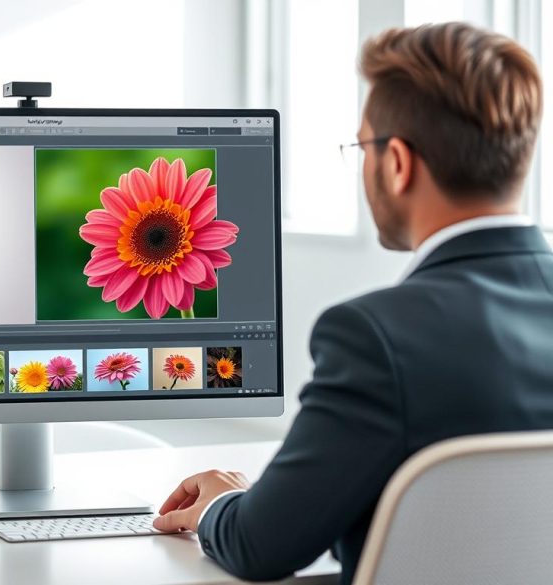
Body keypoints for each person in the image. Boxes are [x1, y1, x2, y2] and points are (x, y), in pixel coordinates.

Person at [153, 22, 552, 584]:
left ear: (397, 163)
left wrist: (224, 504)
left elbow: (261, 546)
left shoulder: (376, 337)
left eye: (362, 146)